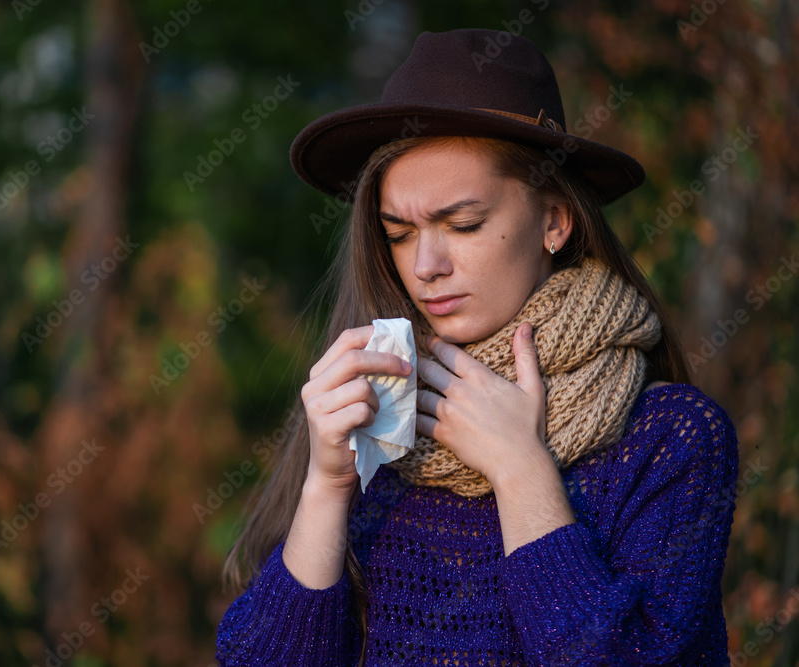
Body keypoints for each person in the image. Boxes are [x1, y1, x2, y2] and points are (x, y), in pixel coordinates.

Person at [215, 28, 739, 666]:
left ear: (554, 220)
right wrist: (327, 487)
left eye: (461, 225)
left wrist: (521, 472)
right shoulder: (380, 421)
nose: (426, 265)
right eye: (399, 233)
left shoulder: (672, 437)